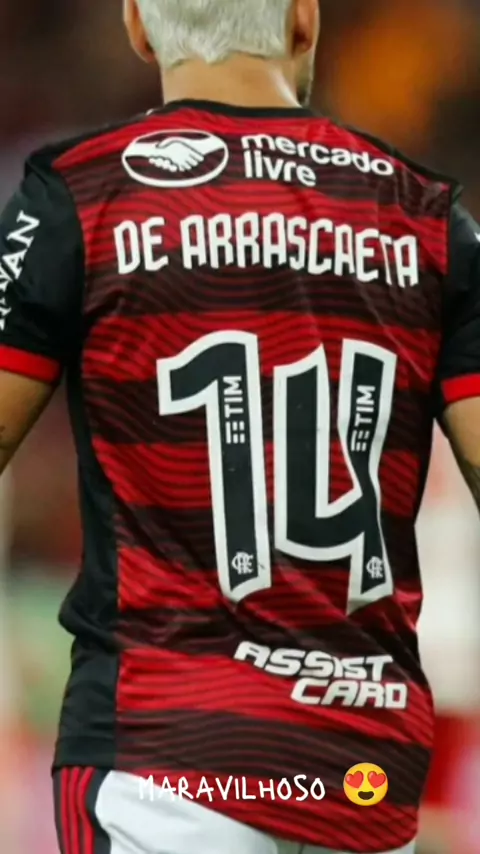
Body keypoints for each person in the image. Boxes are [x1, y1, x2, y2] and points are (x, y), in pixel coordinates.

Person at [0, 0, 479, 852]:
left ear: (138, 26)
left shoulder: (76, 195)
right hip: (362, 777)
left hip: (163, 760)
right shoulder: (431, 218)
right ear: (305, 21)